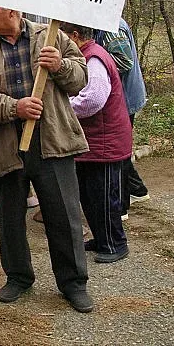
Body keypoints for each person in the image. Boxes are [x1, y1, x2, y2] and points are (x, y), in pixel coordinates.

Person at [0, 0, 93, 313]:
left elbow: (81, 77)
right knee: (9, 217)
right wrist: (14, 107)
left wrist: (61, 66)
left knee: (63, 215)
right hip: (7, 143)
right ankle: (19, 277)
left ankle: (73, 283)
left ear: (13, 9)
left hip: (52, 140)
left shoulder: (50, 36)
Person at [60, 22, 132, 264]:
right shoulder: (86, 56)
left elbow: (93, 100)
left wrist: (60, 107)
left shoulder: (95, 59)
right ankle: (102, 239)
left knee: (103, 198)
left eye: (62, 38)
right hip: (96, 142)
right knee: (90, 196)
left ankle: (115, 243)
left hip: (105, 142)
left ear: (75, 36)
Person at [93, 19, 150, 212]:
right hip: (123, 97)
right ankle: (138, 190)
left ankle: (120, 207)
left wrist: (94, 69)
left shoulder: (111, 26)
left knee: (117, 152)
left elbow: (124, 60)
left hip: (123, 99)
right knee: (121, 150)